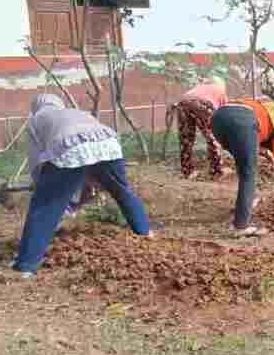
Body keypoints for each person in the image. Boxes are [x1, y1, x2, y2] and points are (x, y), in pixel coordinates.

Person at [13, 94, 151, 276]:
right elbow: (89, 158)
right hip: (107, 145)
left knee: (44, 207)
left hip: (70, 148)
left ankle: (26, 265)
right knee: (122, 191)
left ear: (36, 106)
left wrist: (40, 183)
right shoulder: (76, 111)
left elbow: (35, 157)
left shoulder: (37, 119)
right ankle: (144, 232)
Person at [211, 97, 274, 237]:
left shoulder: (256, 107)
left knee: (243, 164)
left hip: (218, 118)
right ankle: (240, 226)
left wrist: (262, 151)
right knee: (248, 174)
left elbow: (247, 140)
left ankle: (245, 203)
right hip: (242, 122)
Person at [172, 77, 227, 179]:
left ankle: (186, 172)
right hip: (203, 103)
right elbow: (224, 112)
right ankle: (216, 172)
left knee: (186, 139)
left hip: (183, 102)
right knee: (213, 138)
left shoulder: (200, 86)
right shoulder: (220, 91)